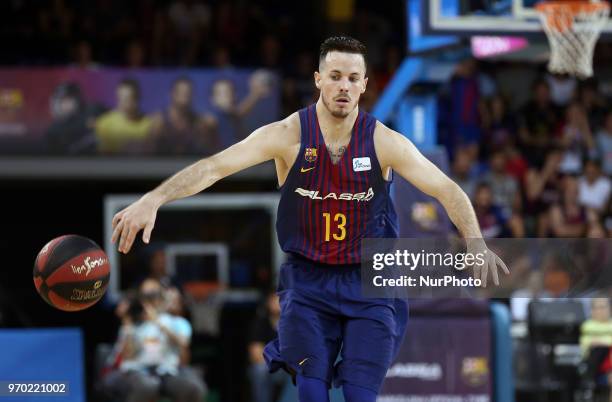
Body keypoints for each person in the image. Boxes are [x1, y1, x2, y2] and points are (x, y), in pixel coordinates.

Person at [111, 36, 508, 402]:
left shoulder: (384, 141)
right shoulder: (287, 135)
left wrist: (475, 243)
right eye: (335, 77)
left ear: (365, 84)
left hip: (369, 282)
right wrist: (155, 198)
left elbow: (448, 190)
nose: (344, 87)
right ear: (319, 79)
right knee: (312, 394)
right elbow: (214, 167)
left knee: (359, 396)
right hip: (308, 281)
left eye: (353, 78)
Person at [102, 278, 206, 402]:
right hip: (137, 371)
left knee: (193, 388)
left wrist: (156, 321)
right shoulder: (132, 323)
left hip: (165, 372)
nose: (150, 299)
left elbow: (183, 345)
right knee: (148, 386)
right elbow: (128, 355)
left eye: (154, 294)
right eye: (146, 295)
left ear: (161, 297)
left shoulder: (171, 321)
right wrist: (127, 322)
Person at [248, 291, 288, 402]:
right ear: (268, 303)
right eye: (274, 299)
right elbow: (256, 354)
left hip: (289, 367)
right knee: (259, 370)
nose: (277, 302)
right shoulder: (261, 322)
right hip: (269, 366)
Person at [95, 79, 152, 154]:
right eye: (120, 98)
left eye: (128, 98)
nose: (123, 102)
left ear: (137, 98)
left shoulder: (151, 125)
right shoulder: (105, 123)